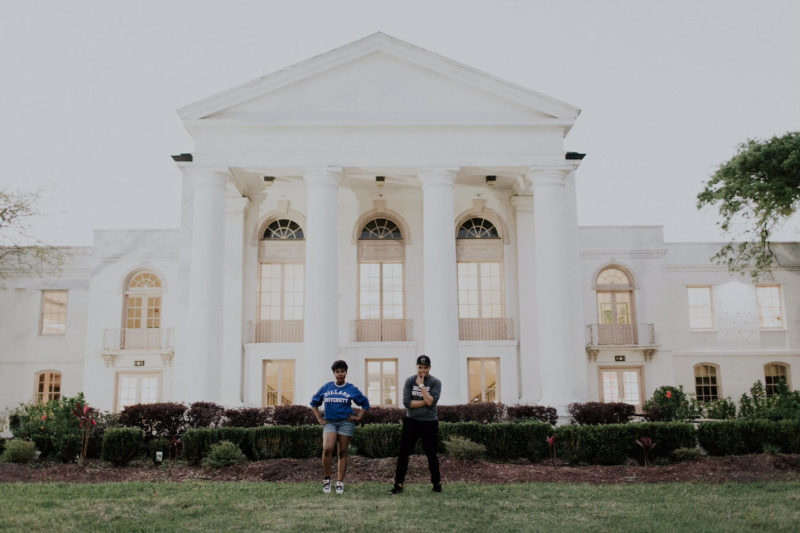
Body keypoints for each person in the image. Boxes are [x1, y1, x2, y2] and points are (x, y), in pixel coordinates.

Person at [310, 360, 370, 494]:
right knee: (327, 449)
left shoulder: (351, 389)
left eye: (342, 371)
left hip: (345, 423)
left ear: (346, 372)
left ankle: (340, 482)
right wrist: (319, 418)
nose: (340, 374)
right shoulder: (326, 387)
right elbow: (314, 403)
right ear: (334, 373)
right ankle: (327, 480)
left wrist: (358, 417)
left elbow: (365, 403)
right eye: (337, 372)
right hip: (330, 423)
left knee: (342, 452)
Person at [388, 354, 442, 494]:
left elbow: (431, 403)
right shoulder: (409, 381)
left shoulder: (436, 382)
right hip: (411, 421)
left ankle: (436, 484)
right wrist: (426, 401)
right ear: (416, 367)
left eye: (425, 368)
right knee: (403, 453)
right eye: (420, 367)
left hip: (430, 422)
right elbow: (407, 403)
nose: (422, 370)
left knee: (431, 454)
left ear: (429, 368)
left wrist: (422, 386)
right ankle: (398, 484)